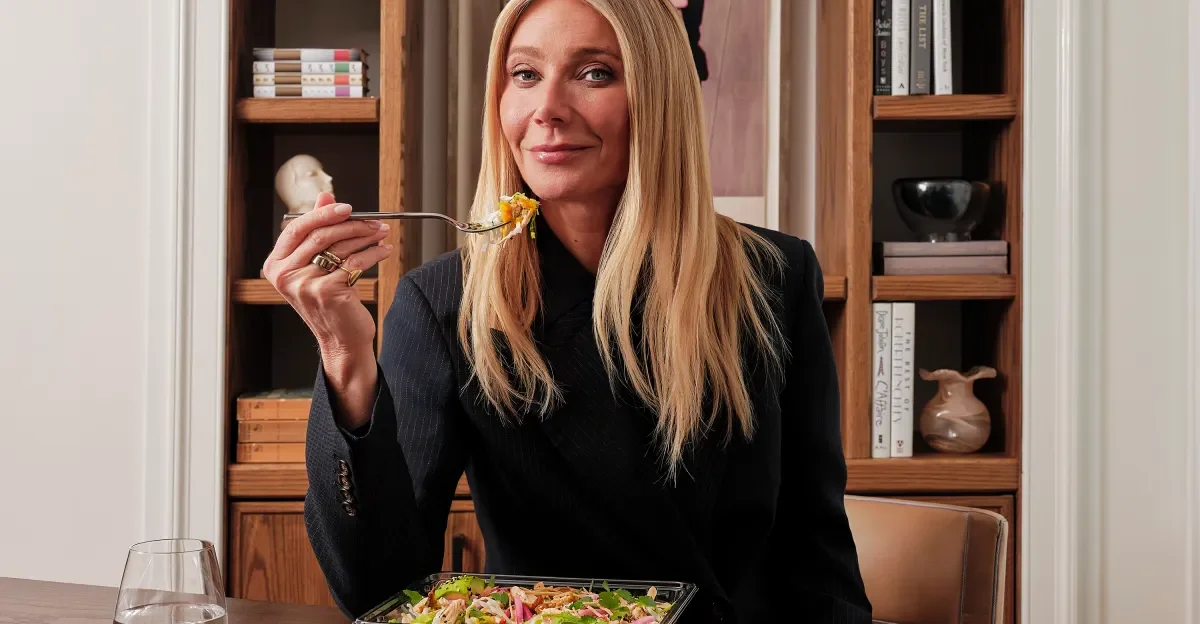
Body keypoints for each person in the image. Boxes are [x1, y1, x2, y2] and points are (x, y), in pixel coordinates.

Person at [262, 0, 872, 622]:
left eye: (594, 73)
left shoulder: (774, 275)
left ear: (658, 98)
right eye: (525, 74)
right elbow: (379, 588)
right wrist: (344, 356)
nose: (547, 108)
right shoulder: (444, 304)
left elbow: (816, 547)